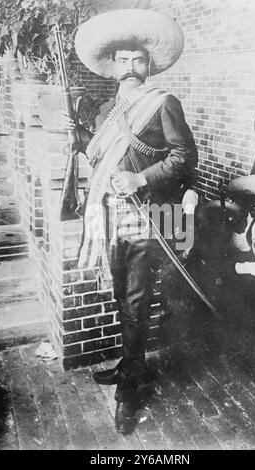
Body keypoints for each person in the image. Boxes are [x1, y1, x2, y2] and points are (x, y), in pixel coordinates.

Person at [63, 9, 198, 434]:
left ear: (149, 64)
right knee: (124, 299)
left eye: (137, 60)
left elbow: (184, 157)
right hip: (111, 218)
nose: (129, 67)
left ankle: (130, 392)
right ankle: (128, 365)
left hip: (150, 218)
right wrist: (81, 138)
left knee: (137, 304)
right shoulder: (107, 109)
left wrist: (141, 177)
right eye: (122, 60)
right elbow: (100, 156)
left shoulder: (163, 103)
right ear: (113, 67)